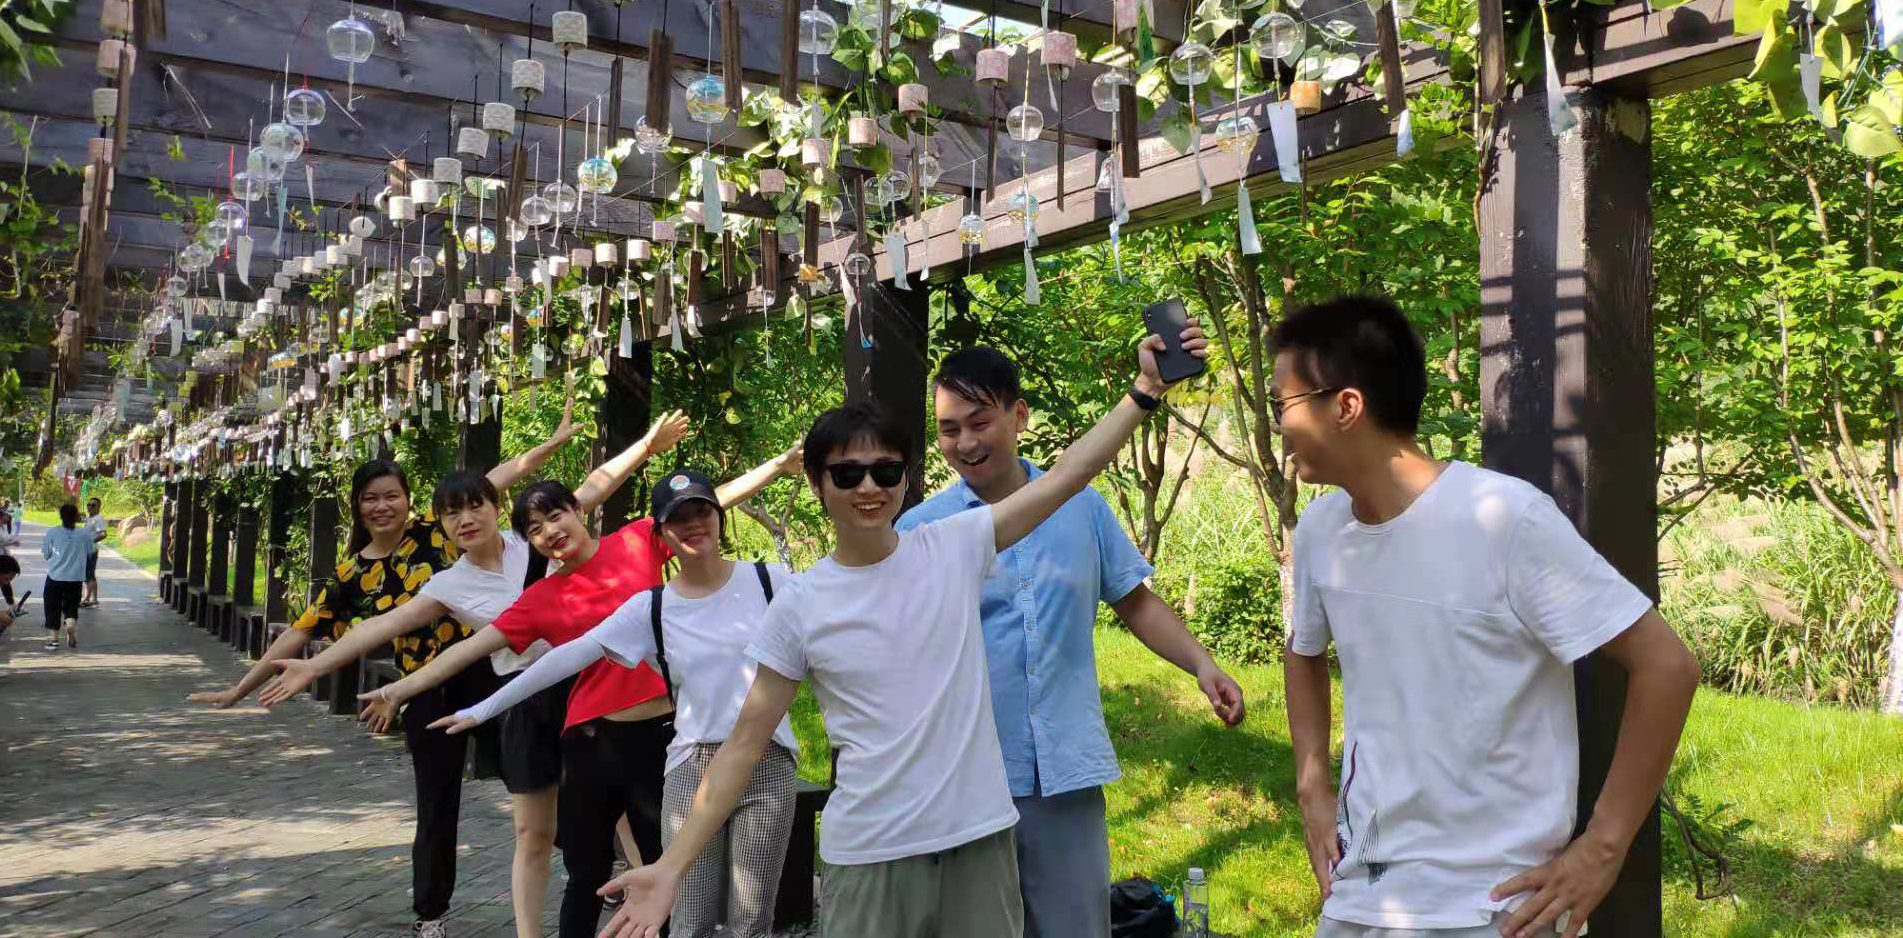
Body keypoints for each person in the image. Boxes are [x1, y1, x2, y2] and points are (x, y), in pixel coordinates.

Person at [601, 320, 1210, 938]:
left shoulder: (954, 547)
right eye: (847, 475)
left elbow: (1066, 477)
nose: (868, 487)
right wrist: (672, 865)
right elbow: (743, 744)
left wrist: (1144, 392)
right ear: (816, 483)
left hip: (979, 846)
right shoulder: (800, 604)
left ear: (904, 478)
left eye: (886, 472)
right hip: (871, 855)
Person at [1268, 296, 1701, 938]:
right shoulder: (1321, 531)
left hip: (1494, 907)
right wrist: (1312, 787)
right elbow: (1303, 651)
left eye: (1283, 403)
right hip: (1362, 892)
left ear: (1346, 407)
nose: (1278, 425)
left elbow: (1667, 667)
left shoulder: (1504, 519)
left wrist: (1604, 847)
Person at [251, 395, 678, 938]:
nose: (465, 519)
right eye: (452, 514)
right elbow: (379, 627)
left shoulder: (534, 540)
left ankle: (646, 908)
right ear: (442, 525)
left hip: (581, 688)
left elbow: (596, 485)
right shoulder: (448, 585)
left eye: (475, 506)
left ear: (495, 507)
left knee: (619, 810)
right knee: (533, 832)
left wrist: (648, 446)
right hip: (522, 699)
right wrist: (316, 668)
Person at [359, 440, 803, 938]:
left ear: (579, 511)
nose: (550, 531)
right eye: (535, 529)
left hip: (673, 737)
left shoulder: (640, 545)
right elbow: (502, 652)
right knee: (593, 874)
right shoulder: (567, 599)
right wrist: (424, 695)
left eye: (556, 516)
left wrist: (776, 466)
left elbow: (704, 504)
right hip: (603, 741)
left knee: (699, 886)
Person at [894, 345, 1246, 938]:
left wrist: (1202, 665)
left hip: (1065, 769)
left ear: (1019, 416)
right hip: (967, 774)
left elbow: (1133, 600)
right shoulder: (922, 529)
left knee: (1075, 926)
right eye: (949, 430)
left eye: (980, 422)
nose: (965, 443)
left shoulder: (1081, 506)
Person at [187, 458, 494, 938]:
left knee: (539, 777)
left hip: (490, 674)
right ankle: (431, 916)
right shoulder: (353, 572)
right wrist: (241, 688)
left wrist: (552, 444)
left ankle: (598, 861)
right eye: (370, 498)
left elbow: (494, 482)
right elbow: (299, 632)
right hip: (424, 690)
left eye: (391, 495)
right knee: (437, 807)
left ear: (408, 499)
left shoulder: (436, 528)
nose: (382, 506)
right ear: (356, 505)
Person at [40, 502, 95, 650]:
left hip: (55, 577)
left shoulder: (52, 532)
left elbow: (46, 554)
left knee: (52, 607)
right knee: (71, 607)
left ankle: (54, 640)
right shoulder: (84, 533)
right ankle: (70, 625)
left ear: (61, 516)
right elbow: (91, 552)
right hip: (75, 578)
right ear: (76, 517)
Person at [82, 497, 108, 608]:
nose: (90, 507)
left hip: (91, 550)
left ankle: (88, 599)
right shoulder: (90, 518)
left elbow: (103, 534)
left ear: (98, 507)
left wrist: (91, 542)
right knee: (89, 574)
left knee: (89, 574)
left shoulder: (98, 519)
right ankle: (93, 599)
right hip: (87, 550)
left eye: (93, 505)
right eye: (89, 504)